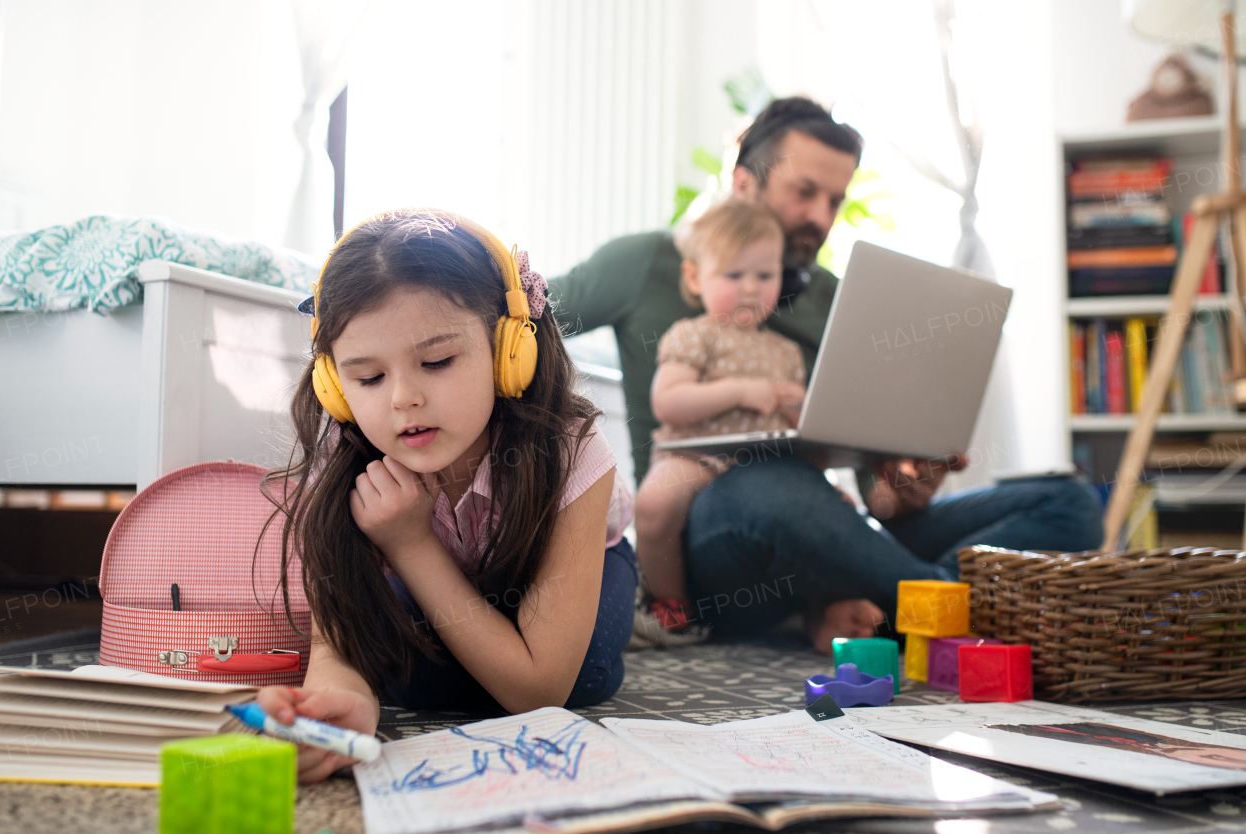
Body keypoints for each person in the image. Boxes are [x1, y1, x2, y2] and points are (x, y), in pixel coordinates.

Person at [550, 96, 1104, 651]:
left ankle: (878, 612)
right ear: (744, 184)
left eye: (835, 200)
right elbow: (522, 317)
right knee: (770, 483)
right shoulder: (647, 263)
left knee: (1068, 502)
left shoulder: (839, 299)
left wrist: (904, 488)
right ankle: (945, 605)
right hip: (708, 530)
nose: (821, 216)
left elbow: (873, 501)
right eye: (804, 192)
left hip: (821, 525)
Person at [256, 209, 636, 783]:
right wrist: (343, 702)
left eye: (436, 362)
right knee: (408, 665)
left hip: (579, 567)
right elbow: (338, 635)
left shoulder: (570, 447)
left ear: (511, 352)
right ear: (334, 386)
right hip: (438, 590)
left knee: (582, 676)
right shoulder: (345, 453)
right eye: (368, 378)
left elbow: (539, 692)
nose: (403, 399)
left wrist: (409, 543)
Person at [635, 200, 805, 627]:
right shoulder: (693, 335)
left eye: (764, 275)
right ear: (695, 277)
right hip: (695, 457)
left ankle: (808, 609)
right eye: (734, 275)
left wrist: (800, 408)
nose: (751, 288)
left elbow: (800, 428)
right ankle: (669, 603)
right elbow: (668, 402)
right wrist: (739, 391)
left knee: (823, 501)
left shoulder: (785, 352)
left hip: (765, 467)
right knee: (654, 502)